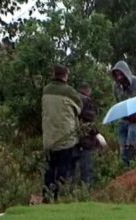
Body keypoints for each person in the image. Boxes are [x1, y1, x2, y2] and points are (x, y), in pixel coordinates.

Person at [42, 64, 82, 203]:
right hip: (66, 138)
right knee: (63, 170)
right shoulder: (69, 92)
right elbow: (79, 108)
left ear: (54, 74)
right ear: (65, 75)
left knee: (49, 169)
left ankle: (46, 197)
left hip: (48, 139)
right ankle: (58, 197)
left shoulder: (45, 90)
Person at [110, 61, 136, 166]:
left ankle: (135, 169)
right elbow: (118, 102)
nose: (119, 77)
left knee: (132, 148)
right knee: (123, 150)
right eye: (116, 75)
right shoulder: (116, 87)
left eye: (121, 74)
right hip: (124, 120)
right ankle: (125, 171)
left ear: (126, 73)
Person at [71, 83, 100, 186]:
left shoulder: (71, 100)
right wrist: (97, 134)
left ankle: (69, 191)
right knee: (86, 169)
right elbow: (90, 120)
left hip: (71, 139)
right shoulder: (86, 101)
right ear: (88, 91)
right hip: (85, 140)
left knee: (71, 169)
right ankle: (86, 191)